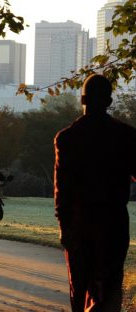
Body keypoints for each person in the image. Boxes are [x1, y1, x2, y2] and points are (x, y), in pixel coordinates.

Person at [54, 74, 136, 311]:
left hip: (79, 223)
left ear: (83, 99)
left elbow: (63, 188)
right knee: (110, 289)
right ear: (109, 102)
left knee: (79, 289)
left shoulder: (67, 138)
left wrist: (64, 226)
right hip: (114, 223)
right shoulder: (126, 136)